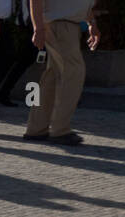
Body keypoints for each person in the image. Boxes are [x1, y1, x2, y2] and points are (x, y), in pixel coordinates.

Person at [23, 0, 96, 143]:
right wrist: (38, 28)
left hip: (64, 25)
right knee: (73, 73)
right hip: (60, 25)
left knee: (52, 76)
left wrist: (92, 22)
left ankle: (36, 128)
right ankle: (60, 130)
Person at [0, 0, 38, 106]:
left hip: (26, 24)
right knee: (24, 61)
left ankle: (3, 92)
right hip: (27, 25)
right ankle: (3, 92)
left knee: (24, 60)